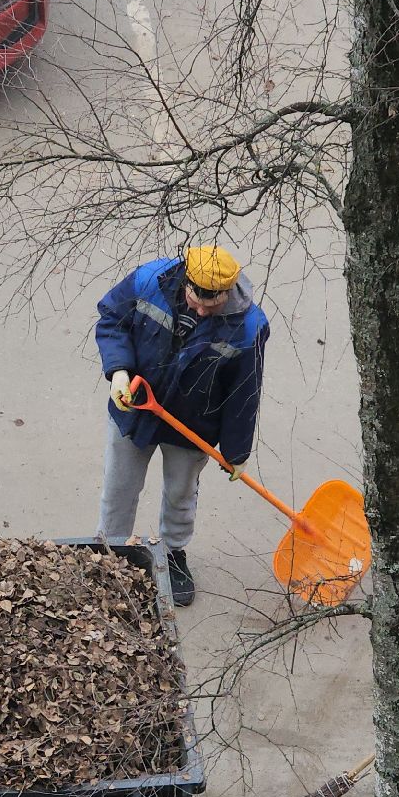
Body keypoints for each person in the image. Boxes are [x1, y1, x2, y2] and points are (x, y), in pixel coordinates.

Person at [94, 245, 268, 606]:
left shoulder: (249, 327)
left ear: (229, 290)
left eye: (212, 304)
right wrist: (119, 371)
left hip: (194, 423)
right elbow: (112, 319)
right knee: (119, 487)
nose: (201, 311)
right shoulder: (147, 281)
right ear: (186, 280)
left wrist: (236, 452)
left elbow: (244, 391)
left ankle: (173, 553)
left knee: (180, 492)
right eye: (195, 299)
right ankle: (111, 553)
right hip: (135, 406)